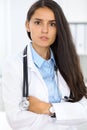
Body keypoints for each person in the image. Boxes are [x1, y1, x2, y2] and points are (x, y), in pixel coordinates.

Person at [2, 0, 87, 130]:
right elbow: (16, 120)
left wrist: (46, 108)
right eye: (38, 22)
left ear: (58, 28)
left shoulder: (68, 62)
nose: (45, 30)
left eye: (52, 24)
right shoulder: (14, 65)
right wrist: (66, 114)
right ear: (27, 25)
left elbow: (84, 110)